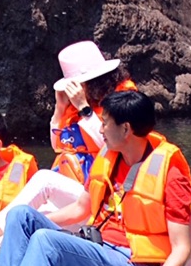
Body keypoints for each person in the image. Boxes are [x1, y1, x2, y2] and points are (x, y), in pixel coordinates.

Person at [0, 90, 191, 266]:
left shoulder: (171, 173)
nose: (100, 130)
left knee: (46, 241)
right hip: (99, 245)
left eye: (105, 123)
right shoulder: (110, 157)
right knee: (21, 216)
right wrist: (37, 223)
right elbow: (81, 209)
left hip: (134, 261)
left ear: (126, 129)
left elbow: (182, 248)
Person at [49, 40, 136, 187]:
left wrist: (84, 108)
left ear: (95, 81)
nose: (74, 91)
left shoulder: (124, 99)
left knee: (43, 180)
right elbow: (57, 146)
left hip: (106, 183)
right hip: (77, 180)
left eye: (79, 84)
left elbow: (114, 144)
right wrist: (60, 108)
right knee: (44, 181)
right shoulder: (74, 106)